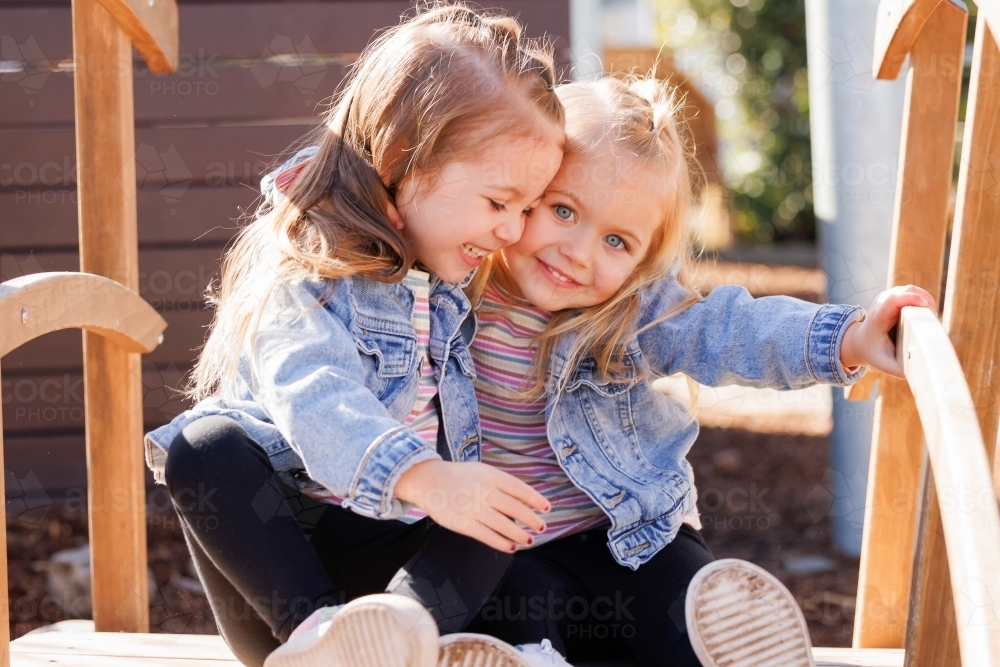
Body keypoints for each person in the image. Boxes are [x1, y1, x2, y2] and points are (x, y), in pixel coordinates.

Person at [409, 74, 934, 666]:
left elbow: (728, 329)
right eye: (562, 210)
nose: (579, 253)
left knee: (683, 603)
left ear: (641, 260)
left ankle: (723, 651)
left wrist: (848, 337)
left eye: (616, 241)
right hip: (505, 550)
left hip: (633, 533)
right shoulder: (447, 290)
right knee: (524, 610)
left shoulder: (627, 310)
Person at [143, 5, 565, 666]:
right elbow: (316, 393)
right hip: (287, 582)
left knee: (500, 522)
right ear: (404, 163)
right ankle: (326, 642)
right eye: (497, 202)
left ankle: (409, 640)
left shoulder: (451, 278)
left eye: (527, 209)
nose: (513, 230)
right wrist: (421, 475)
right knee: (201, 447)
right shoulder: (307, 268)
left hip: (401, 584)